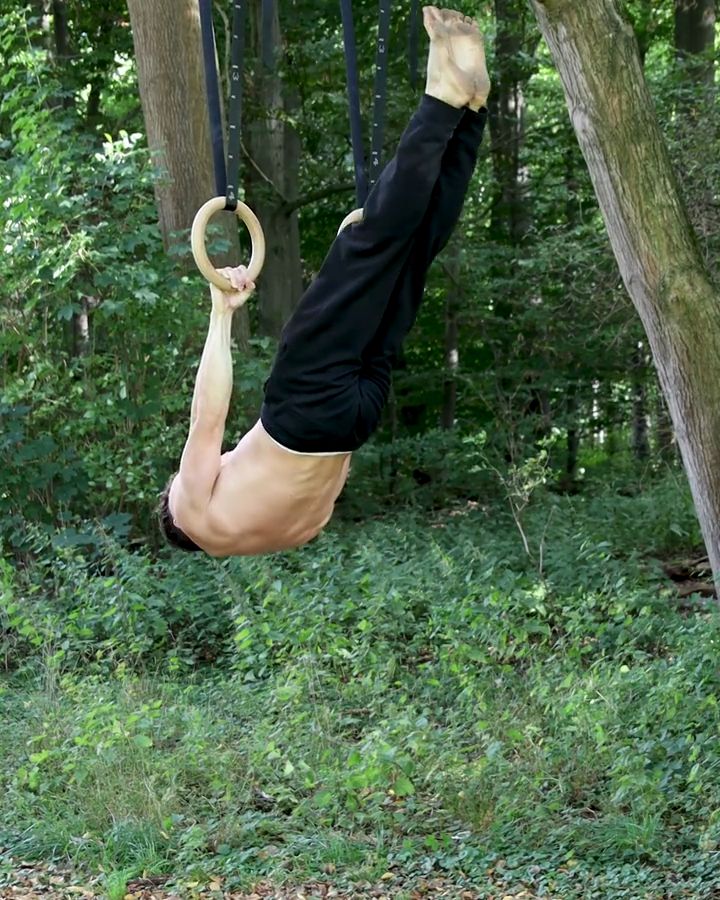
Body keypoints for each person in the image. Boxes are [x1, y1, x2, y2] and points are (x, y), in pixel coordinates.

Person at [158, 6, 490, 557]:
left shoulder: (285, 533)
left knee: (410, 256)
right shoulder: (189, 512)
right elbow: (208, 415)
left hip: (355, 419)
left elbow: (329, 482)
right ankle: (443, 99)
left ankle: (469, 115)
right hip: (305, 408)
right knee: (373, 244)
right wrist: (222, 312)